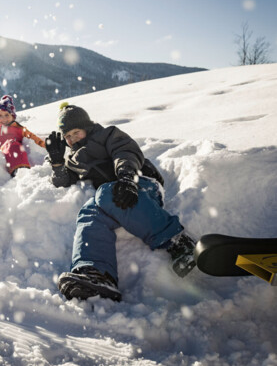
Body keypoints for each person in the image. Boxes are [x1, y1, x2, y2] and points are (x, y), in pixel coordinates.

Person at [46, 103, 196, 302]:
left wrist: (127, 179)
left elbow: (125, 152)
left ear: (87, 127)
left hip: (139, 184)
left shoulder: (107, 135)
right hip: (112, 198)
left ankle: (178, 241)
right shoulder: (74, 159)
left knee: (105, 193)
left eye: (76, 132)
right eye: (68, 136)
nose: (72, 139)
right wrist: (57, 163)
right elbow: (63, 181)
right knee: (88, 213)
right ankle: (96, 274)